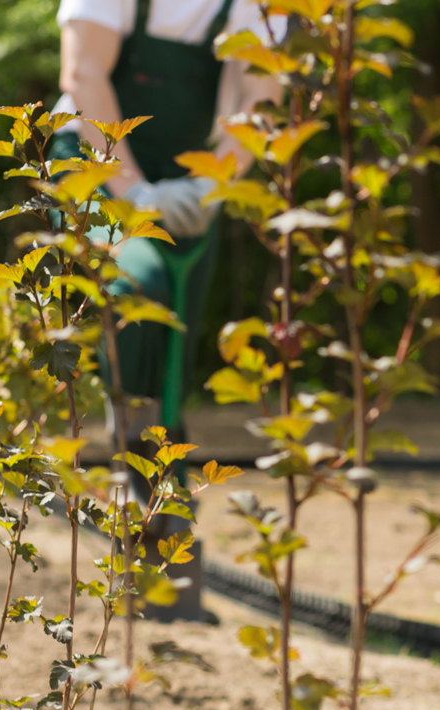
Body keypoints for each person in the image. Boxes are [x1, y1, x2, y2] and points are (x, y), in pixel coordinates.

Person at [55, 0, 279, 621]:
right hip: (94, 163)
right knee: (140, 284)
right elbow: (84, 76)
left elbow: (259, 94)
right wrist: (133, 193)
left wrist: (216, 182)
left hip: (187, 182)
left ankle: (164, 495)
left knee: (178, 330)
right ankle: (130, 452)